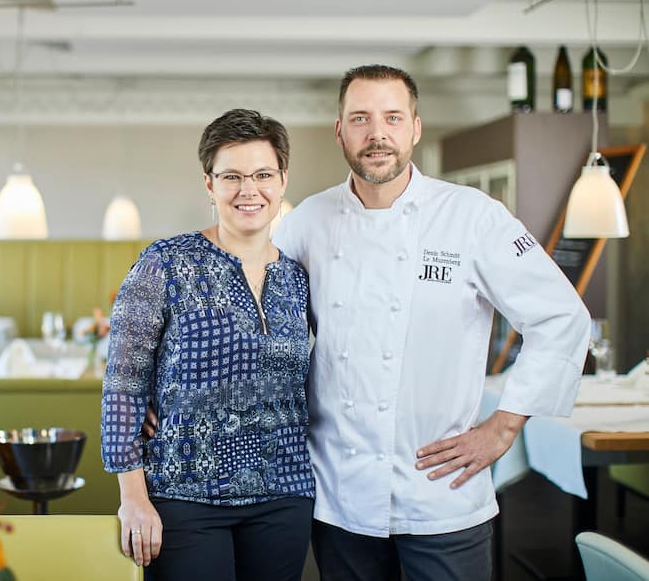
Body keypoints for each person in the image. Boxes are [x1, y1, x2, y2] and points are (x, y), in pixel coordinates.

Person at [272, 65, 590, 580]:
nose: (377, 134)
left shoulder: (473, 216)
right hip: (340, 495)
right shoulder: (307, 221)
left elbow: (561, 316)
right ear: (340, 131)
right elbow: (252, 322)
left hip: (442, 494)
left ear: (415, 128)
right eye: (360, 118)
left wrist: (504, 426)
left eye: (393, 118)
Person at [101, 108, 315, 581]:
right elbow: (122, 383)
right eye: (231, 176)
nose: (248, 190)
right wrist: (132, 497)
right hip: (185, 496)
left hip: (285, 492)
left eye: (263, 175)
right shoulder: (164, 263)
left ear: (282, 180)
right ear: (209, 184)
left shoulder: (297, 277)